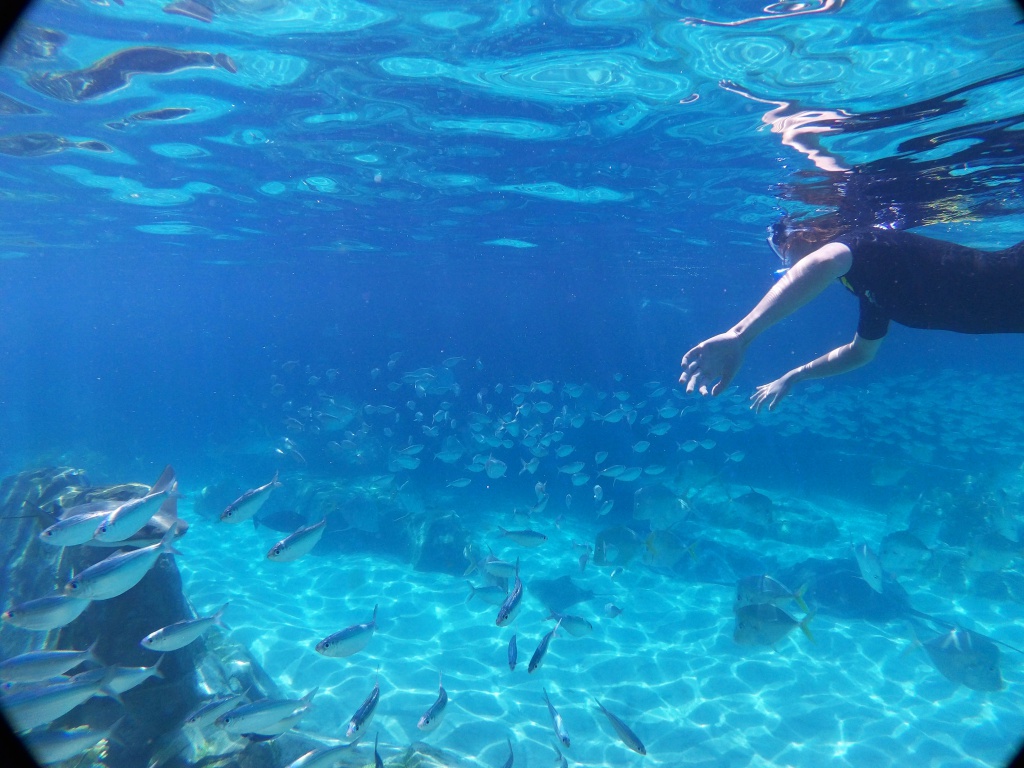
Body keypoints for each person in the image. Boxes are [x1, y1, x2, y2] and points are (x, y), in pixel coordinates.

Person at [678, 217, 1024, 412]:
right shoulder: (870, 285)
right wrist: (794, 376)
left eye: (782, 247)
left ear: (807, 231)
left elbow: (824, 262)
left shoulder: (864, 243)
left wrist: (741, 335)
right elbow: (861, 352)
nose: (783, 259)